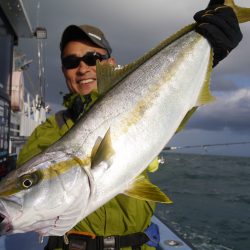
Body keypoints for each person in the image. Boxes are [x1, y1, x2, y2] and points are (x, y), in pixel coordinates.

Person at [16, 3, 242, 250]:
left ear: (110, 63)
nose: (82, 68)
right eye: (72, 62)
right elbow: (34, 192)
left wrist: (209, 52)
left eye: (93, 58)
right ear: (64, 70)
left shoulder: (143, 100)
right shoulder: (48, 130)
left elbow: (174, 105)